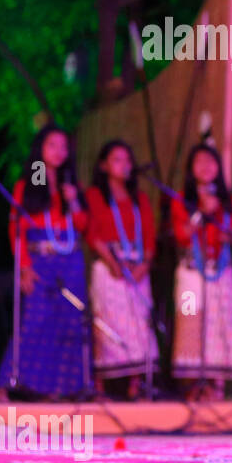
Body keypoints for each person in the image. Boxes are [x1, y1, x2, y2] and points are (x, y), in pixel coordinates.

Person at [0, 124, 88, 400]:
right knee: (35, 321)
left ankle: (55, 389)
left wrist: (74, 201)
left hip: (70, 261)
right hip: (39, 261)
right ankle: (6, 384)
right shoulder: (31, 183)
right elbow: (18, 229)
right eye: (52, 145)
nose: (59, 151)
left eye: (63, 146)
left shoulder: (72, 184)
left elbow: (82, 226)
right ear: (41, 149)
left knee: (68, 321)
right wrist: (23, 266)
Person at [170, 143, 232, 400]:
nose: (205, 166)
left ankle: (217, 386)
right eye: (199, 161)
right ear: (191, 169)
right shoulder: (181, 199)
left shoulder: (228, 200)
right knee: (191, 321)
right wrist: (200, 212)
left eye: (211, 161)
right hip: (191, 271)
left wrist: (226, 230)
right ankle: (193, 386)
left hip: (221, 271)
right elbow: (181, 235)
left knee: (220, 324)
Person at [85, 139, 157, 399]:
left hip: (137, 267)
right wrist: (113, 263)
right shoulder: (94, 195)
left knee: (138, 322)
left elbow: (149, 235)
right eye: (117, 160)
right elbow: (92, 233)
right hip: (109, 266)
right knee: (106, 322)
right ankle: (100, 386)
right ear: (104, 165)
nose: (124, 165)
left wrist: (145, 265)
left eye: (127, 160)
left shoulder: (140, 199)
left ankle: (136, 386)